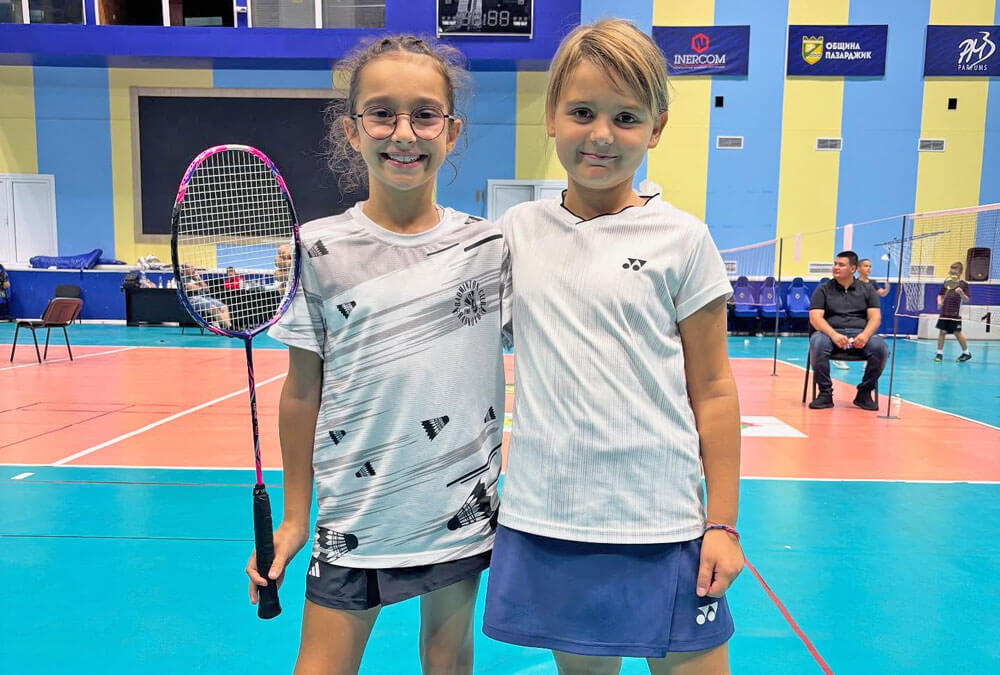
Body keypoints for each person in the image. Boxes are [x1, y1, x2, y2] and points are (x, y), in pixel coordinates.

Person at [483, 19, 743, 674]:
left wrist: (722, 523)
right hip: (552, 519)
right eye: (582, 112)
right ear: (551, 116)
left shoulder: (684, 239)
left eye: (626, 117)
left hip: (664, 522)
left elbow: (713, 389)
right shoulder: (515, 233)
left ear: (656, 128)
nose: (601, 134)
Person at [245, 35, 507, 675]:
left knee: (448, 660)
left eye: (425, 115)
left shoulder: (490, 248)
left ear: (452, 132)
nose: (404, 134)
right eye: (382, 114)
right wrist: (295, 518)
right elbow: (301, 392)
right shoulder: (316, 248)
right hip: (353, 514)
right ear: (352, 130)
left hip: (458, 507)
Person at [807, 250, 889, 410]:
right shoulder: (823, 289)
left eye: (841, 265)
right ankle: (825, 394)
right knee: (817, 343)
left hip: (859, 334)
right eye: (835, 264)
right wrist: (834, 335)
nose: (836, 267)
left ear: (853, 269)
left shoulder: (867, 290)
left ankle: (864, 393)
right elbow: (815, 318)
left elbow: (875, 317)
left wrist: (865, 335)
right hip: (829, 334)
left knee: (881, 348)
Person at [829, 257, 889, 371]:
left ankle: (868, 359)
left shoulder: (872, 283)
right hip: (856, 314)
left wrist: (886, 290)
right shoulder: (853, 283)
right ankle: (840, 358)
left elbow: (881, 293)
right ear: (858, 268)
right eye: (866, 266)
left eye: (870, 266)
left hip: (868, 314)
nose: (868, 269)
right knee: (847, 336)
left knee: (867, 337)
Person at [935, 261, 972, 363]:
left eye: (954, 273)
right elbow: (940, 294)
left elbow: (966, 300)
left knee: (957, 333)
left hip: (955, 313)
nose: (952, 274)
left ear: (960, 273)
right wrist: (939, 302)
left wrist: (961, 293)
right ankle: (939, 354)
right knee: (942, 332)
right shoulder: (947, 282)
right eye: (951, 272)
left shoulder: (964, 284)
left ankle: (966, 353)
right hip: (944, 312)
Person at [179, 263, 231, 329]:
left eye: (193, 267)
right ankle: (229, 328)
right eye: (191, 268)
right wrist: (200, 287)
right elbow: (192, 287)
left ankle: (227, 327)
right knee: (213, 308)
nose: (193, 269)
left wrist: (199, 279)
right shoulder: (182, 278)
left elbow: (206, 289)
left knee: (224, 307)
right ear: (185, 270)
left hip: (204, 297)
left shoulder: (194, 278)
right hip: (192, 300)